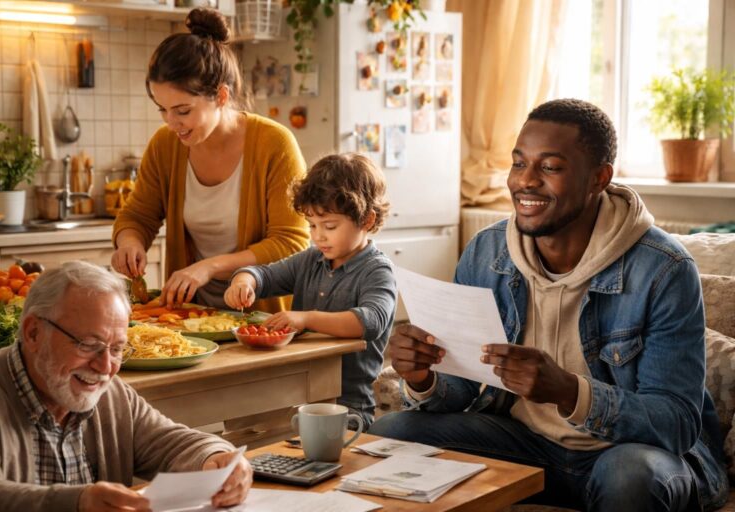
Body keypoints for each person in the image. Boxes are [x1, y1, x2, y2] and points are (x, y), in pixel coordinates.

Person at [369, 99, 729, 510]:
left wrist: (568, 391)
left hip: (632, 455)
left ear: (599, 178)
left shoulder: (663, 270)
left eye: (550, 167)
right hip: (527, 446)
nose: (526, 181)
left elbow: (676, 424)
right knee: (393, 433)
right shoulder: (487, 253)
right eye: (518, 163)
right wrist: (423, 378)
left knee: (630, 476)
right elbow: (464, 389)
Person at [0, 261, 252, 512]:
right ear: (33, 333)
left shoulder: (111, 394)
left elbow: (172, 442)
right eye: (89, 345)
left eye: (116, 349)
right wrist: (77, 503)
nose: (105, 368)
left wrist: (218, 458)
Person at [111, 7, 309, 312]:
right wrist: (130, 242)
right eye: (162, 109)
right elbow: (138, 216)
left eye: (183, 110)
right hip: (193, 318)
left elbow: (291, 243)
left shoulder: (274, 144)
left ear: (221, 96)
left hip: (265, 319)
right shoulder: (165, 145)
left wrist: (209, 267)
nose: (171, 122)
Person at [225, 153, 397, 430]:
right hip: (296, 394)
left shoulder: (377, 270)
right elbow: (264, 274)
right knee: (247, 423)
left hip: (347, 404)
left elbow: (371, 320)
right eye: (312, 225)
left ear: (366, 220)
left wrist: (305, 318)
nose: (318, 236)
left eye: (330, 226)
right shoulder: (310, 259)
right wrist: (244, 281)